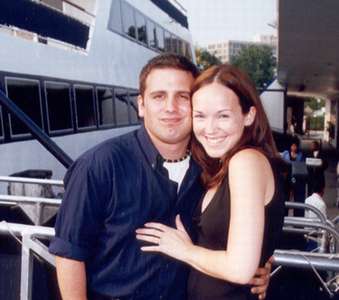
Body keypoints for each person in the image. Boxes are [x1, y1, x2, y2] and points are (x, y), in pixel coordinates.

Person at [49, 54, 271, 300]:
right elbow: (69, 254)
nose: (170, 108)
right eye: (159, 96)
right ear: (141, 106)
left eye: (183, 97)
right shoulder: (99, 165)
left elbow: (238, 234)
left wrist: (262, 266)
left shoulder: (214, 167)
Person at [136, 64, 285, 300]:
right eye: (200, 116)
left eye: (223, 115)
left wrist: (185, 251)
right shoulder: (219, 165)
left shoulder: (245, 162)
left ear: (249, 116)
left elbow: (240, 269)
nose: (210, 128)